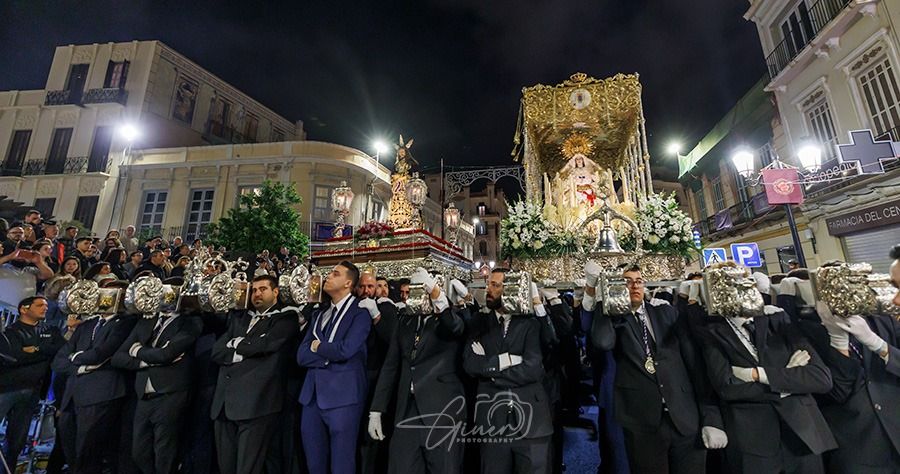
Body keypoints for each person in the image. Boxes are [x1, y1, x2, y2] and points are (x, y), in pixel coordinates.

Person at [695, 262, 837, 473]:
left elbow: (820, 378)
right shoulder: (710, 332)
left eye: (745, 280)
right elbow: (728, 388)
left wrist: (757, 375)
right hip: (752, 441)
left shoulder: (778, 320)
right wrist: (787, 377)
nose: (741, 287)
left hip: (803, 434)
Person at [590, 263, 724, 474]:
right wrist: (602, 301)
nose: (634, 286)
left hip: (684, 417)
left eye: (638, 281)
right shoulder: (615, 320)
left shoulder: (666, 313)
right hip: (642, 422)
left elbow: (695, 366)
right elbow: (602, 342)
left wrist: (711, 417)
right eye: (626, 282)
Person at [368, 269, 464, 473]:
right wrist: (376, 410)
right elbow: (391, 366)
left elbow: (454, 327)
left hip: (441, 412)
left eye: (422, 289)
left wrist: (436, 293)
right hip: (406, 410)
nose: (413, 296)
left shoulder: (450, 317)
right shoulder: (406, 320)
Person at [463, 268, 554, 474]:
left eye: (496, 285)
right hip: (492, 423)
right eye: (489, 284)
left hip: (532, 422)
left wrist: (491, 372)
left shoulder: (530, 323)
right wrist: (507, 360)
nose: (489, 289)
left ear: (511, 289)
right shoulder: (478, 322)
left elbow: (533, 369)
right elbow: (470, 364)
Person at [210, 275, 300, 474]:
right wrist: (243, 352)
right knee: (226, 468)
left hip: (256, 407)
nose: (257, 294)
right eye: (254, 290)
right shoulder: (241, 318)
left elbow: (266, 345)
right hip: (224, 405)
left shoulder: (286, 317)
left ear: (275, 292)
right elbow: (217, 351)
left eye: (262, 289)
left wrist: (235, 344)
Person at [297, 261, 372, 474]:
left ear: (348, 282)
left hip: (343, 398)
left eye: (335, 273)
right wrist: (328, 355)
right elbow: (301, 355)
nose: (328, 277)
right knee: (314, 465)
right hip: (311, 398)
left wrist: (318, 347)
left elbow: (346, 350)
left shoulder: (360, 311)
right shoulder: (319, 314)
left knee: (342, 465)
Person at [111, 306, 203, 474]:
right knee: (139, 452)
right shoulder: (147, 321)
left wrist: (137, 350)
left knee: (164, 452)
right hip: (144, 395)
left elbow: (166, 354)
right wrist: (145, 361)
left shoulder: (190, 322)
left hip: (171, 393)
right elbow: (118, 357)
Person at [51, 303, 139, 473]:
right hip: (72, 396)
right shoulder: (86, 325)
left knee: (89, 450)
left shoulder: (125, 323)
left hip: (101, 394)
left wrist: (74, 357)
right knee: (69, 446)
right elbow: (59, 360)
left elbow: (101, 353)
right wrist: (80, 367)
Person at [0, 296, 65, 466]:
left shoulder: (51, 330)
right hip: (6, 388)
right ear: (24, 309)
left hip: (32, 391)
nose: (44, 308)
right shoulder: (11, 331)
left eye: (45, 305)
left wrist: (36, 349)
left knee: (17, 440)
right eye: (39, 305)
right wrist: (44, 352)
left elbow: (60, 348)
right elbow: (14, 356)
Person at [356, 271, 399, 474]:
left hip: (374, 379)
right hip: (353, 380)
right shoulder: (353, 307)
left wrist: (377, 316)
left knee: (371, 439)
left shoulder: (386, 309)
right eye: (362, 287)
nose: (367, 291)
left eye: (371, 287)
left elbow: (392, 341)